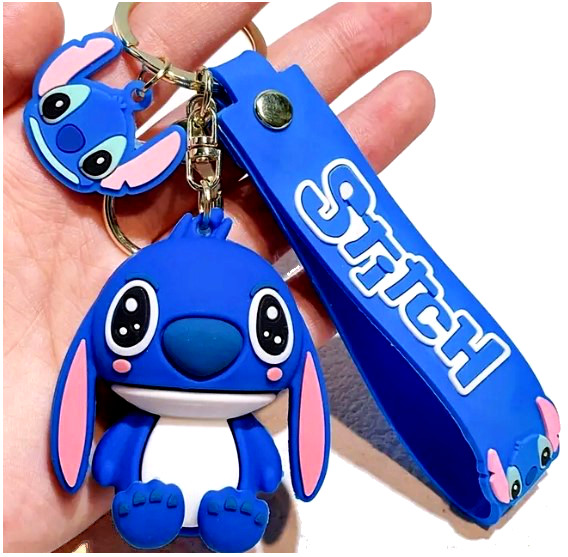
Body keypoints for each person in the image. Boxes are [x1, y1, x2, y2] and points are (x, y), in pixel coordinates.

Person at [3, 2, 435, 551]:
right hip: (147, 499)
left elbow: (251, 467)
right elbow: (111, 461)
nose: (200, 347)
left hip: (210, 496)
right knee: (150, 509)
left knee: (221, 512)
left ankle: (223, 517)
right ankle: (164, 512)